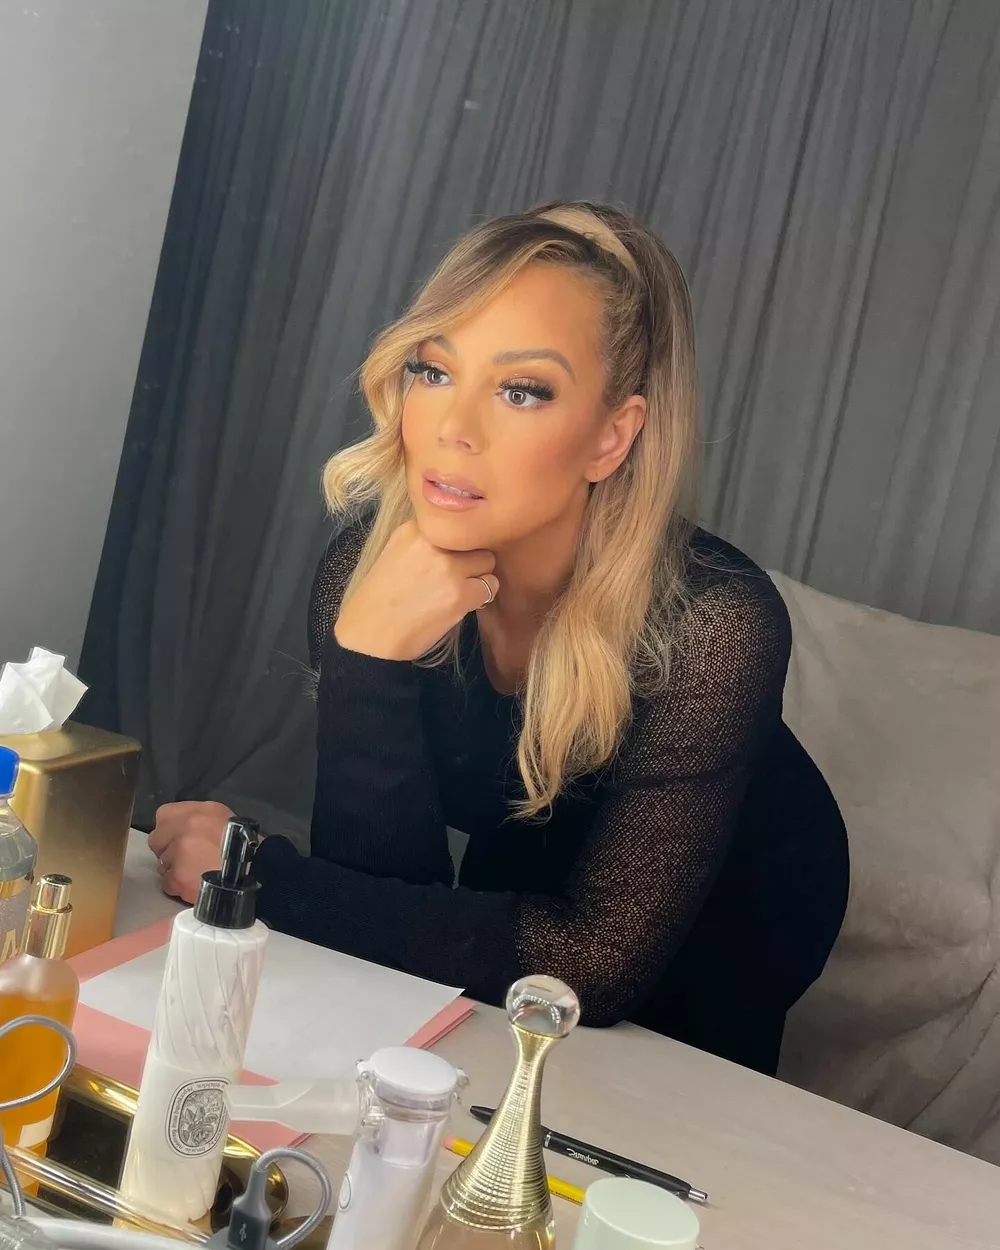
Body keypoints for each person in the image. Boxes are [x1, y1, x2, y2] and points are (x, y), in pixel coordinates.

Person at [149, 202, 849, 1075]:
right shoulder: (366, 576)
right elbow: (382, 902)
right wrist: (367, 660)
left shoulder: (714, 621)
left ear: (610, 438)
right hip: (528, 870)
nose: (455, 428)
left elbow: (595, 968)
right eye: (434, 370)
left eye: (522, 391)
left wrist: (261, 880)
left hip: (730, 916)